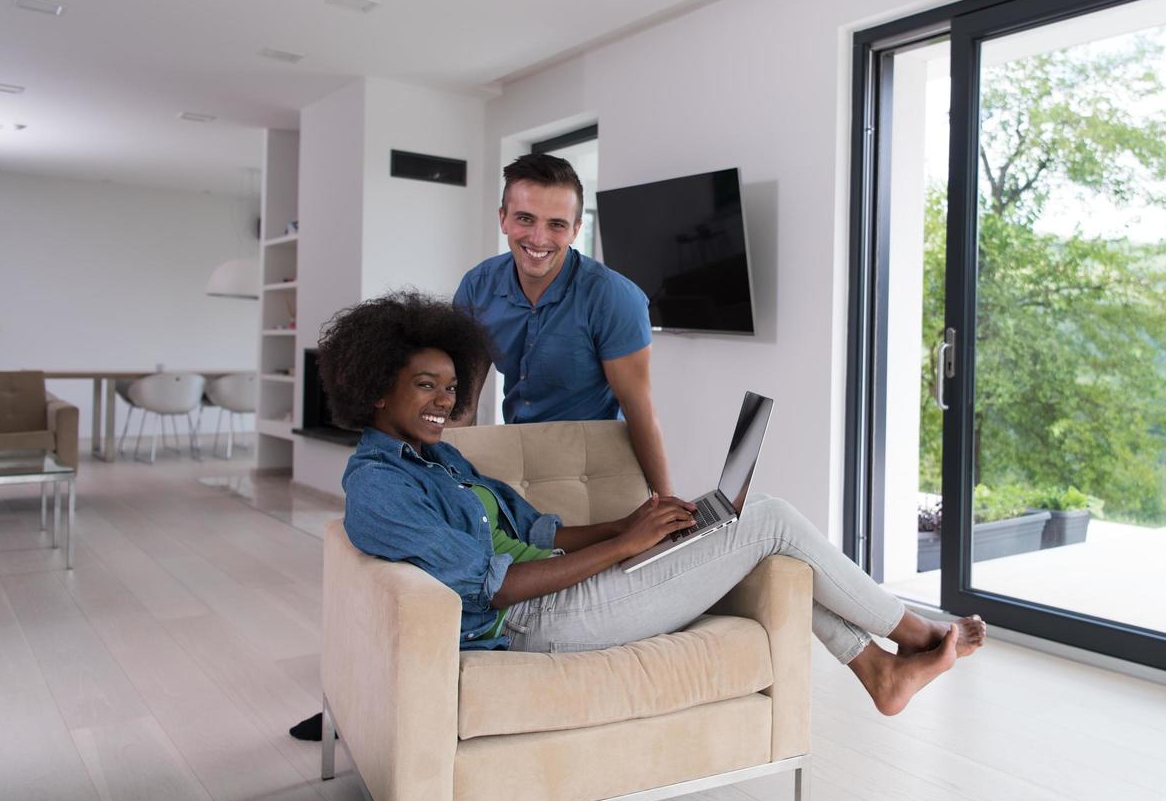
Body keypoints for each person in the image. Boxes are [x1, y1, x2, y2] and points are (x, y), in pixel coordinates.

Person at [317, 290, 986, 718]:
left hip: (565, 590)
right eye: (424, 386)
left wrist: (637, 525)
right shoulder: (379, 485)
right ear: (377, 388)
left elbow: (537, 531)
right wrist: (623, 547)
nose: (443, 401)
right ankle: (921, 635)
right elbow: (495, 588)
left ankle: (877, 672)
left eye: (449, 386)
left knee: (749, 534)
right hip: (533, 621)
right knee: (773, 519)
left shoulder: (439, 459)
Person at [453, 152, 673, 495]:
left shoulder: (614, 298)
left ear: (576, 229)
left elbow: (640, 412)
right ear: (503, 219)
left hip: (595, 466)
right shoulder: (477, 287)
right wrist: (444, 475)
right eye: (525, 218)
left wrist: (665, 500)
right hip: (517, 454)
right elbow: (464, 401)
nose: (538, 238)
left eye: (556, 224)